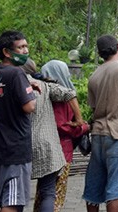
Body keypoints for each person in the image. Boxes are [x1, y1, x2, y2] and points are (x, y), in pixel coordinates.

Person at [83, 35, 118, 212]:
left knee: (94, 187)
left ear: (100, 53)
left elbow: (93, 107)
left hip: (98, 134)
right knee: (116, 187)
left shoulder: (95, 74)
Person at [23, 59, 83, 212]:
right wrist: (83, 126)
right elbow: (62, 125)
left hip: (31, 144)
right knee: (52, 194)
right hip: (58, 150)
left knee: (41, 193)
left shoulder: (43, 88)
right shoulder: (53, 93)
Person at [0, 31, 38, 212]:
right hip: (16, 148)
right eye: (21, 47)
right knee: (12, 201)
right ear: (7, 52)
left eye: (26, 46)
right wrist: (33, 93)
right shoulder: (17, 73)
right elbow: (29, 106)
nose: (25, 51)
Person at [40, 60, 90, 212]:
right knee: (55, 193)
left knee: (44, 192)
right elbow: (63, 125)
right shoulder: (60, 97)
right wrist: (85, 127)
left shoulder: (44, 92)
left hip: (46, 149)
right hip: (61, 151)